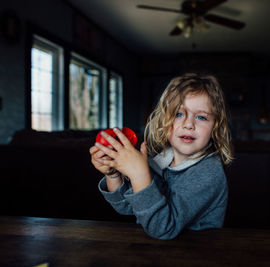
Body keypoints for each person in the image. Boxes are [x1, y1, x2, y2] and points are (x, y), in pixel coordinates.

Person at [89, 73, 233, 240]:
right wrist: (114, 175)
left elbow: (163, 227)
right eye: (179, 114)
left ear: (215, 127)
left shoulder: (209, 173)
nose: (188, 124)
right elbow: (128, 207)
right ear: (164, 121)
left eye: (201, 117)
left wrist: (139, 175)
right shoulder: (159, 160)